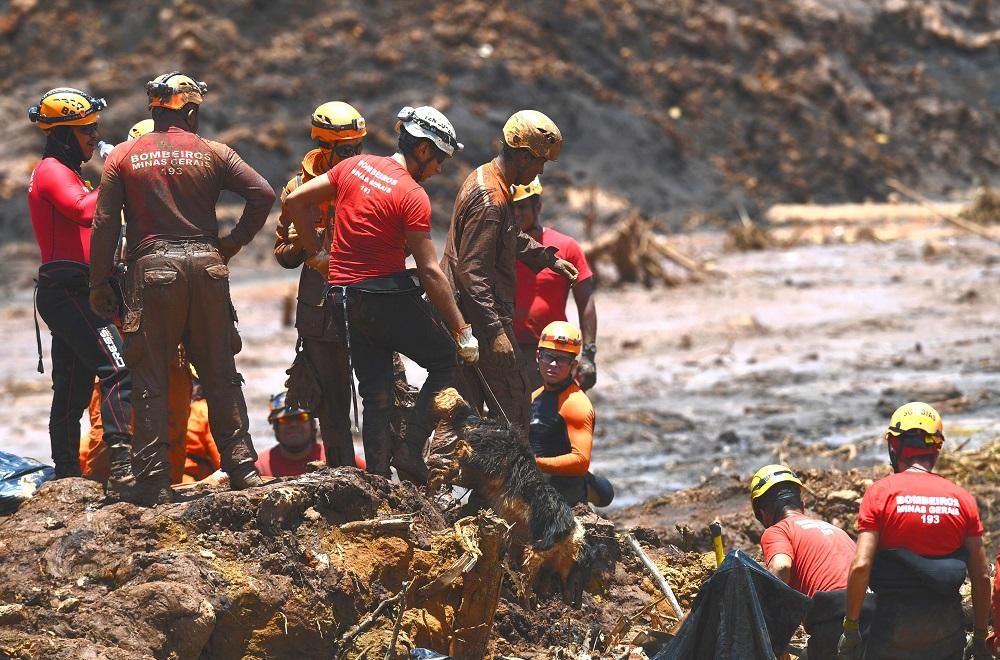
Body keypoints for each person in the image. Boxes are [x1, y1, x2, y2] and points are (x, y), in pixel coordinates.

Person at [89, 71, 276, 505]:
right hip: (208, 269)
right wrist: (232, 243)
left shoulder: (122, 157)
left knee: (150, 377)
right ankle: (244, 469)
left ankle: (153, 481)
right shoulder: (215, 152)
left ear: (153, 110)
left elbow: (103, 224)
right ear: (190, 111)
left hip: (152, 274)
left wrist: (98, 281)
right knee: (220, 373)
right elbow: (263, 194)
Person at [283, 105, 479, 484]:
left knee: (374, 390)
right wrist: (462, 332)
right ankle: (409, 450)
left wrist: (318, 256)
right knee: (444, 360)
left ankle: (375, 478)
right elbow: (429, 271)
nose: (438, 169)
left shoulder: (353, 166)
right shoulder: (412, 194)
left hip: (340, 300)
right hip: (382, 297)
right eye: (438, 160)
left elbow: (295, 202)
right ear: (423, 150)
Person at [442, 110, 578, 431]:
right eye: (539, 161)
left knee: (466, 411)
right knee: (514, 410)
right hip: (479, 319)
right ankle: (507, 480)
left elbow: (509, 236)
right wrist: (495, 332)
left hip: (466, 317)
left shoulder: (487, 179)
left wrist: (548, 259)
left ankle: (446, 478)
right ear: (521, 155)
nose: (541, 169)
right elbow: (472, 273)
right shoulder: (491, 201)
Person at [27, 87, 134, 483]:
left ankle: (67, 475)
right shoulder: (54, 170)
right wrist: (116, 172)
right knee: (119, 368)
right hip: (70, 290)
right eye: (86, 129)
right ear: (63, 134)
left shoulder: (67, 171)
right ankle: (122, 466)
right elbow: (83, 211)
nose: (93, 135)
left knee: (71, 389)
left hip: (71, 290)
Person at [838, 402, 992, 660]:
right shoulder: (962, 498)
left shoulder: (880, 493)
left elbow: (861, 566)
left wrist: (851, 628)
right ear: (936, 449)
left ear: (893, 447)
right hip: (947, 630)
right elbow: (981, 577)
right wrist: (978, 636)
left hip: (892, 631)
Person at [274, 101, 365, 468]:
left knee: (384, 395)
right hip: (320, 310)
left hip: (366, 301)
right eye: (346, 150)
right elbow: (282, 254)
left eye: (359, 148)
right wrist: (299, 243)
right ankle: (341, 473)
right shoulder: (297, 188)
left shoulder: (370, 182)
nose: (355, 156)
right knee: (330, 402)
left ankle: (385, 475)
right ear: (324, 146)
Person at [750, 464, 862, 660]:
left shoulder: (777, 530)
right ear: (801, 506)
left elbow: (781, 567)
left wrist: (763, 615)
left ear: (764, 514)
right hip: (870, 612)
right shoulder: (836, 530)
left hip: (835, 616)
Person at [512, 177, 598, 392]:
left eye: (522, 207)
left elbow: (585, 301)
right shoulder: (499, 249)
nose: (516, 214)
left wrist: (588, 354)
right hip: (509, 351)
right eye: (511, 208)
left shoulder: (566, 248)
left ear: (538, 206)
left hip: (554, 353)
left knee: (554, 418)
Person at [529, 321, 595, 505]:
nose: (553, 364)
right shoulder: (533, 397)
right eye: (548, 356)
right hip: (535, 498)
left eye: (562, 359)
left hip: (566, 504)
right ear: (538, 357)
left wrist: (535, 463)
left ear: (573, 364)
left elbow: (581, 461)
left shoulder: (576, 404)